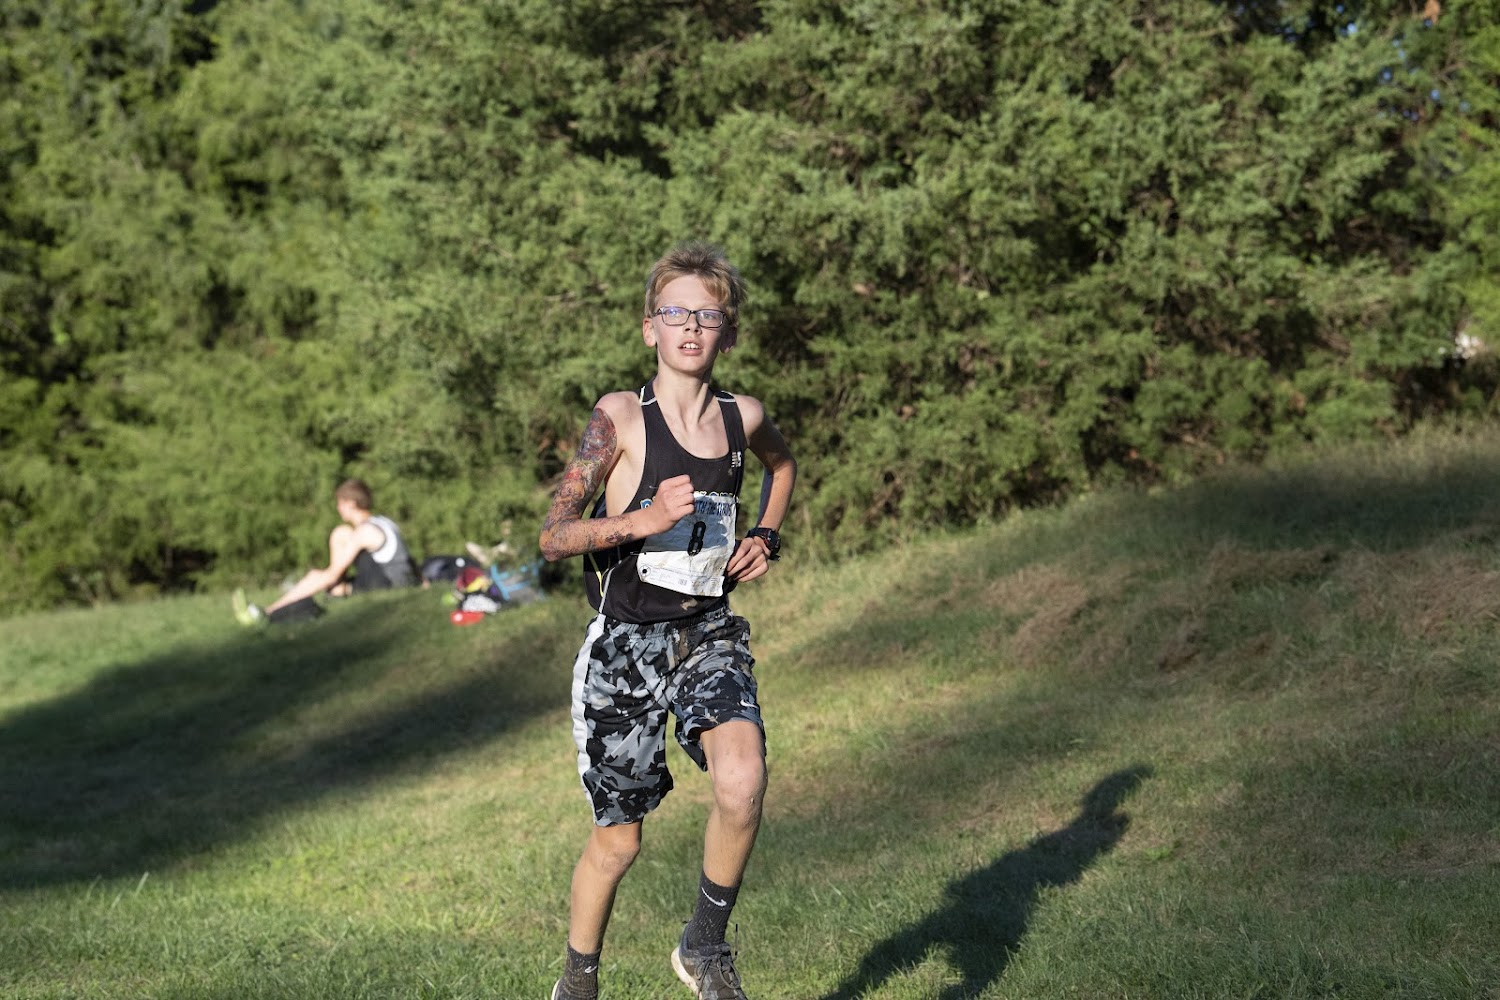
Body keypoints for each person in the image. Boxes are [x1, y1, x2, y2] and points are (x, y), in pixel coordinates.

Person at [538, 241, 796, 1000]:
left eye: (707, 316)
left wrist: (766, 536)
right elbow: (553, 535)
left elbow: (783, 467)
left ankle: (705, 947)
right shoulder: (620, 416)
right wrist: (642, 519)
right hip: (623, 649)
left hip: (708, 633)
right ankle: (578, 981)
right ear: (649, 326)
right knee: (619, 844)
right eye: (675, 313)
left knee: (743, 781)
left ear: (727, 332)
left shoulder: (743, 418)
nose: (691, 327)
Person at [233, 478, 416, 625]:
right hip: (396, 579)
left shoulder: (365, 531)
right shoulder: (383, 522)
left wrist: (321, 579)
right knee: (341, 533)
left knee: (320, 575)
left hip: (387, 585)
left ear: (352, 504)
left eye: (341, 503)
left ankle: (267, 612)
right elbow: (406, 559)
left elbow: (332, 574)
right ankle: (335, 590)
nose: (338, 508)